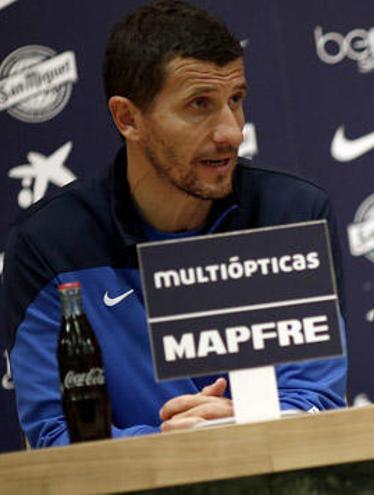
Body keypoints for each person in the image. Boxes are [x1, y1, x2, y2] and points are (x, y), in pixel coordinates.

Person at [0, 0, 348, 448]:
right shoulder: (48, 246)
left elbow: (317, 399)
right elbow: (55, 435)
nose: (231, 131)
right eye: (199, 104)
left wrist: (241, 421)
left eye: (236, 100)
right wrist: (171, 444)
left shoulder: (292, 216)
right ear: (128, 118)